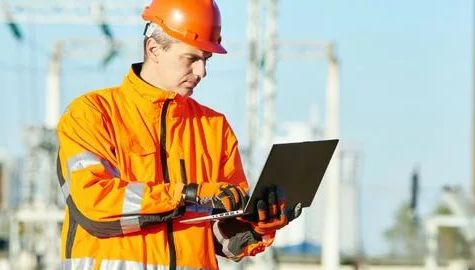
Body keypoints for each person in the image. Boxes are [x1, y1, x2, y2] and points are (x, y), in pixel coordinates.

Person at [55, 0, 300, 269]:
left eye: (206, 60)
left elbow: (222, 240)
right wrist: (188, 194)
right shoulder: (91, 114)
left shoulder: (214, 127)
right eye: (191, 58)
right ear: (154, 49)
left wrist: (257, 226)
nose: (201, 72)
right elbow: (95, 207)